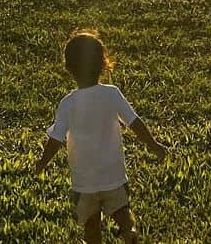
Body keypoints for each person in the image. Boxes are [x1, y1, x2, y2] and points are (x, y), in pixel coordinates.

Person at [36, 30, 166, 244]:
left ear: (68, 68)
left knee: (91, 223)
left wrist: (42, 163)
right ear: (104, 63)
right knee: (121, 210)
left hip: (84, 181)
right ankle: (129, 230)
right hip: (113, 175)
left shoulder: (67, 103)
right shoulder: (112, 93)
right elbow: (135, 122)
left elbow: (55, 140)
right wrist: (153, 145)